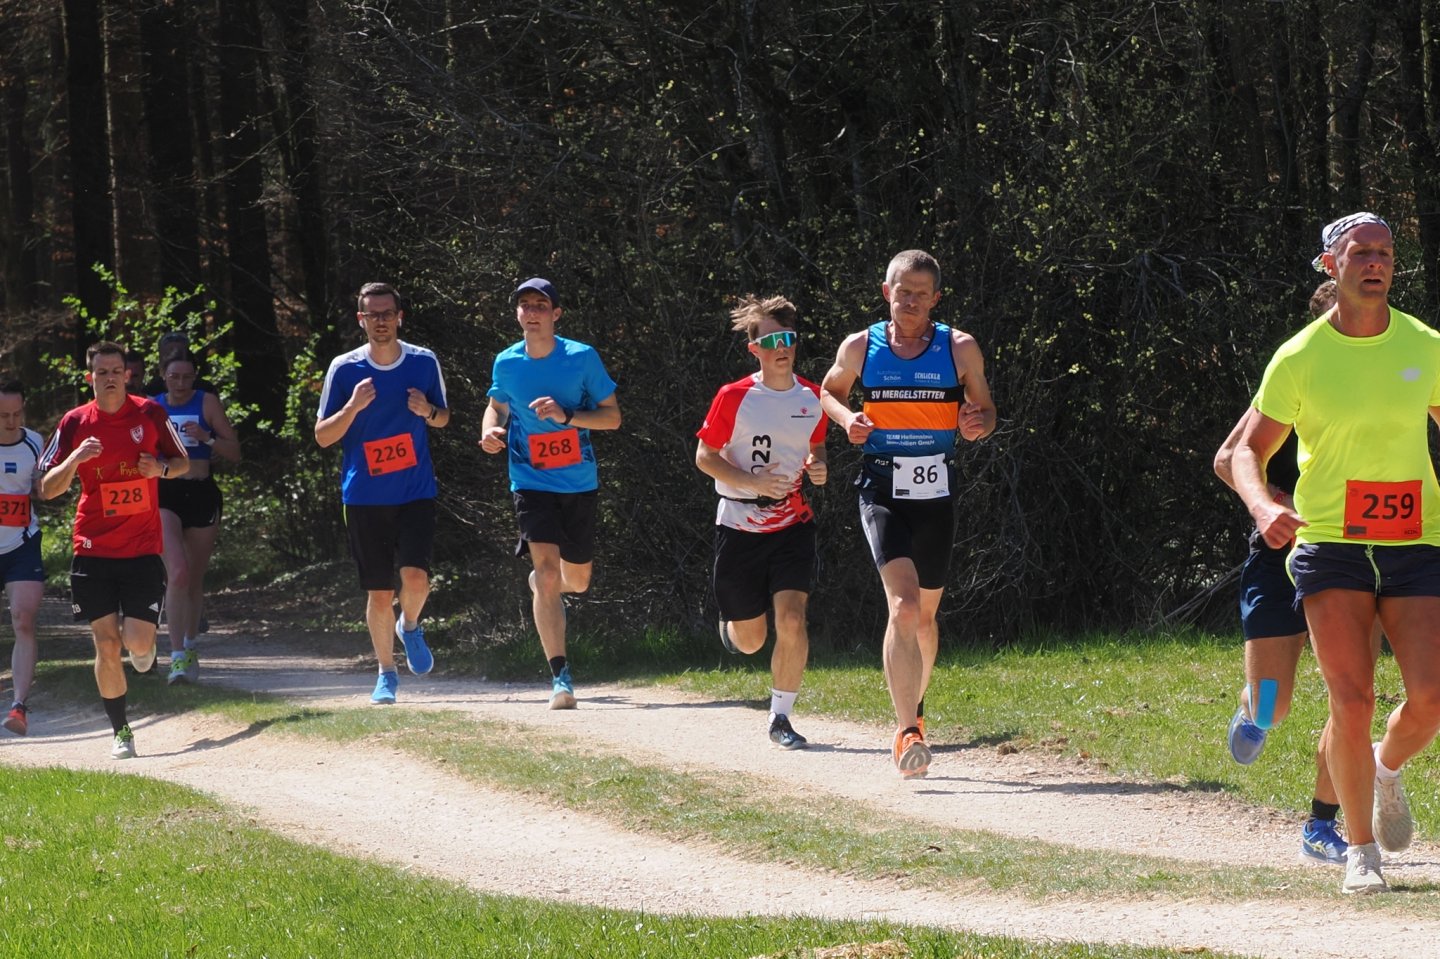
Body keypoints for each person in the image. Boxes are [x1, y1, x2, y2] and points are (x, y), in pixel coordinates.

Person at [1232, 212, 1440, 895]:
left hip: (1414, 539)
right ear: (1332, 264)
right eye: (1361, 252)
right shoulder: (1299, 357)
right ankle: (1358, 850)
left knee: (1431, 697)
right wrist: (1264, 507)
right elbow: (1242, 453)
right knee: (1343, 699)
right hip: (1327, 542)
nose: (1376, 262)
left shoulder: (1426, 345)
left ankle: (1383, 766)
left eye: (1385, 252)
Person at [1213, 278, 1382, 866]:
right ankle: (1252, 712)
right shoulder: (1296, 375)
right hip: (1282, 549)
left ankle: (1321, 824)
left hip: (1357, 552)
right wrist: (1270, 503)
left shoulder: (1389, 379)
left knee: (1352, 699)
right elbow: (1227, 459)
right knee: (1272, 705)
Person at [819, 250, 996, 778]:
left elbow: (986, 410)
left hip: (936, 490)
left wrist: (977, 424)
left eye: (921, 293)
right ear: (886, 292)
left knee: (924, 618)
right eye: (903, 292)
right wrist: (847, 418)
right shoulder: (861, 345)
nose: (911, 301)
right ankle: (906, 733)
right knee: (903, 606)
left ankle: (914, 710)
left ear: (935, 298)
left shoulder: (959, 348)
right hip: (882, 487)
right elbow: (829, 391)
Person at [38, 341, 190, 758]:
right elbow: (46, 488)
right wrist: (75, 459)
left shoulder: (150, 414)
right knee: (106, 645)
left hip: (141, 549)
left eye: (116, 371)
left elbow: (182, 463)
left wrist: (159, 468)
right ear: (90, 378)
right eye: (101, 372)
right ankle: (121, 731)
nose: (109, 378)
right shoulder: (74, 422)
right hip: (93, 548)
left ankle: (146, 646)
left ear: (127, 375)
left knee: (136, 644)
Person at [480, 278, 621, 709]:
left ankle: (547, 585)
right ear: (517, 314)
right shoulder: (507, 362)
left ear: (556, 314)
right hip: (530, 480)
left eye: (540, 305)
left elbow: (612, 418)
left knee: (575, 581)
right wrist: (490, 430)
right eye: (525, 305)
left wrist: (567, 416)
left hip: (577, 483)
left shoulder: (581, 357)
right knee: (546, 574)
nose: (532, 312)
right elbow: (497, 406)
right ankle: (561, 678)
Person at [695, 295, 828, 749]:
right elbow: (705, 457)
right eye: (770, 340)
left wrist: (818, 466)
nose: (781, 347)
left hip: (793, 523)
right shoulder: (734, 397)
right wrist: (752, 483)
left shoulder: (813, 397)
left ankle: (781, 717)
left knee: (792, 618)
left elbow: (816, 446)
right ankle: (732, 630)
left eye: (787, 338)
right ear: (755, 349)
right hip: (738, 527)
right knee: (751, 641)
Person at [316, 282, 446, 704]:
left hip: (415, 490)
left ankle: (410, 626)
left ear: (400, 317)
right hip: (364, 495)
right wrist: (352, 407)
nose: (381, 321)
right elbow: (322, 436)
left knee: (416, 578)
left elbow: (443, 417)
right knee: (379, 592)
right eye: (373, 315)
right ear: (361, 320)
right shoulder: (344, 369)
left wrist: (427, 411)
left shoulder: (423, 361)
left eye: (388, 313)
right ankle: (386, 673)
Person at [152, 352, 240, 684]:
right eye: (174, 376)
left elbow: (235, 452)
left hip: (201, 492)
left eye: (187, 377)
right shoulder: (152, 407)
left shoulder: (207, 403)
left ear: (195, 377)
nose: (180, 383)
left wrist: (207, 438)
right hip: (165, 494)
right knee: (177, 572)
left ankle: (190, 646)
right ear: (163, 375)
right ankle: (176, 657)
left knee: (194, 577)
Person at [0, 380, 45, 735]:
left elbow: (42, 490)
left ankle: (19, 706)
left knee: (24, 618)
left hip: (22, 543)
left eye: (17, 414)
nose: (11, 421)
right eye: (4, 415)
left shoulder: (34, 443)